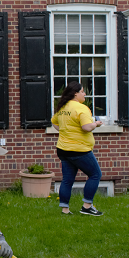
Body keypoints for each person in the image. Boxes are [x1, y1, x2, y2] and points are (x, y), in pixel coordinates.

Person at [51, 81, 104, 216]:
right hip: (79, 150)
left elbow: (54, 123)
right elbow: (86, 127)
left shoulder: (63, 108)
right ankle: (87, 206)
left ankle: (65, 209)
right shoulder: (81, 108)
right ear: (76, 94)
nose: (84, 94)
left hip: (63, 149)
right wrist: (96, 124)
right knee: (95, 174)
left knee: (67, 179)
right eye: (82, 91)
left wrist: (65, 131)